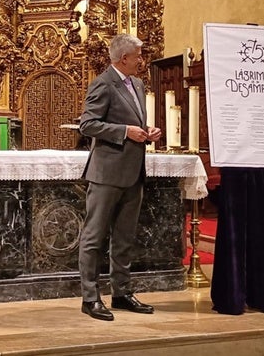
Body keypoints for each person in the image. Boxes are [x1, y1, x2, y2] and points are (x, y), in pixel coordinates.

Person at [77, 33, 162, 321]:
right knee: (94, 237)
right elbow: (88, 124)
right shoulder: (103, 83)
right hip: (106, 173)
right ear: (124, 58)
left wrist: (146, 132)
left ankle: (122, 293)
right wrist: (125, 132)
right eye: (138, 55)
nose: (141, 60)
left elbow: (132, 121)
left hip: (133, 171)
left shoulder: (137, 84)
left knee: (124, 238)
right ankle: (90, 297)